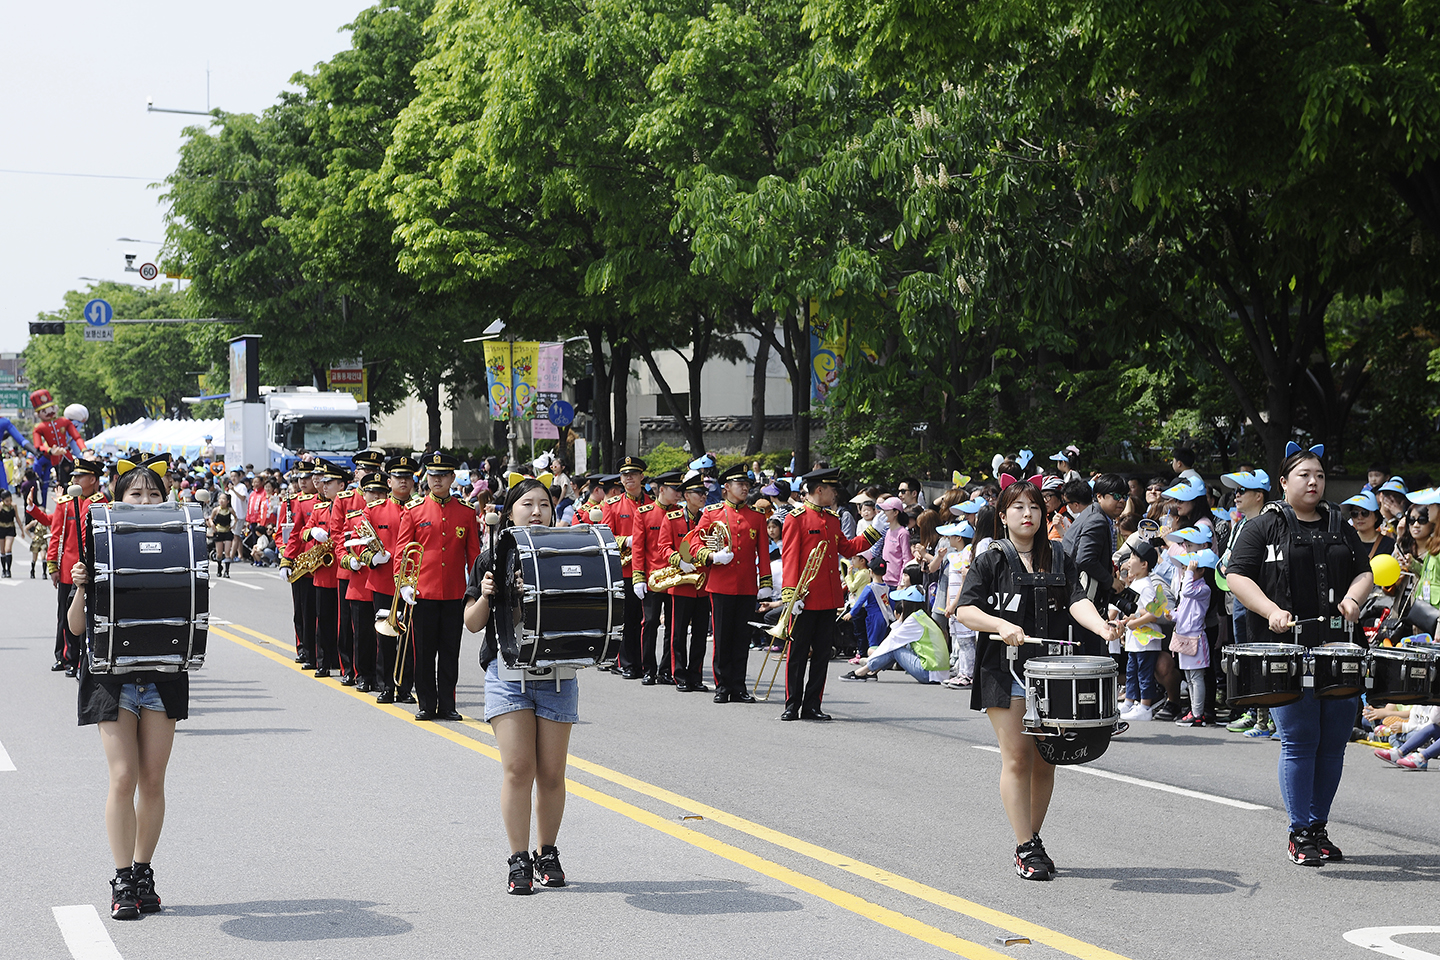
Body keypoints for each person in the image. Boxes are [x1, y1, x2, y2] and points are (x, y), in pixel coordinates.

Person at [955, 477, 1120, 880]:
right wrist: (999, 624)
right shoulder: (990, 558)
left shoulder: (1059, 554)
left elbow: (1077, 600)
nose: (1027, 514)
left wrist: (1101, 628)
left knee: (1048, 761)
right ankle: (1025, 846)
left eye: (1034, 507)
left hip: (1052, 674)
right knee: (1018, 758)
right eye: (1018, 508)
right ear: (1003, 515)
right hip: (1006, 669)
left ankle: (1031, 838)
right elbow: (964, 610)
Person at [1225, 443, 1373, 866]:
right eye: (1305, 474)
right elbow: (1236, 574)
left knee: (1334, 742)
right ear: (1284, 481)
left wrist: (1352, 599)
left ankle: (1319, 827)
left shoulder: (1339, 523)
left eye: (1320, 475)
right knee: (1300, 739)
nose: (1314, 482)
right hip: (1285, 651)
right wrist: (1271, 610)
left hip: (1338, 647)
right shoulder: (1264, 525)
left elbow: (1364, 571)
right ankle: (1300, 832)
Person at [67, 458, 184, 920]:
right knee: (123, 778)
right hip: (111, 678)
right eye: (135, 494)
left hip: (162, 675)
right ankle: (121, 879)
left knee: (153, 780)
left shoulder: (180, 541)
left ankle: (142, 873)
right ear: (118, 499)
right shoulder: (99, 545)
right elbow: (77, 628)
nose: (145, 502)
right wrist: (80, 587)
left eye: (153, 494)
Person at [464, 478, 575, 894]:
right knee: (518, 769)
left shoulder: (566, 550)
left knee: (551, 773)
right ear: (509, 511)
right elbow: (473, 623)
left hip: (556, 675)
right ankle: (518, 860)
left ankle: (548, 852)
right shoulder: (490, 557)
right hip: (507, 674)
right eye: (526, 504)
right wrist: (488, 595)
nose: (536, 511)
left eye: (544, 504)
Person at [774, 468, 883, 720]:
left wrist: (873, 531)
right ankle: (792, 704)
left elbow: (847, 548)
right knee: (798, 653)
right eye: (832, 488)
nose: (836, 493)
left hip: (828, 598)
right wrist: (792, 595)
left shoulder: (832, 520)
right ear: (819, 489)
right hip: (804, 597)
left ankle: (813, 704)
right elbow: (790, 558)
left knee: (822, 654)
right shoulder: (796, 518)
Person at [397, 452, 481, 721]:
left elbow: (474, 557)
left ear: (452, 478)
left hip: (455, 593)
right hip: (422, 593)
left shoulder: (466, 513)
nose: (437, 480)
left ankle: (447, 704)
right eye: (433, 475)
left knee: (449, 652)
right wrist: (404, 586)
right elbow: (402, 552)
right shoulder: (415, 511)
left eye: (443, 475)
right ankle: (426, 704)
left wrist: (474, 591)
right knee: (423, 652)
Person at [686, 462, 771, 703]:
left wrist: (765, 583)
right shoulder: (712, 513)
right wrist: (712, 556)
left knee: (742, 638)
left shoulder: (756, 516)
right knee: (723, 637)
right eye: (739, 484)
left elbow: (763, 552)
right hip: (721, 585)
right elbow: (694, 544)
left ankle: (739, 685)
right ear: (726, 488)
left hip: (746, 585)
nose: (744, 488)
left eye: (747, 484)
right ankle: (723, 686)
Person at [47, 455, 108, 675]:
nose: (75, 480)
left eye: (80, 476)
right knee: (65, 616)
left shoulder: (101, 503)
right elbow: (55, 535)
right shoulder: (66, 503)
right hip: (67, 569)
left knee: (90, 616)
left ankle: (85, 659)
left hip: (92, 570)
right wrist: (52, 564)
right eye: (74, 476)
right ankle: (67, 658)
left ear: (93, 479)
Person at [367, 455, 419, 704]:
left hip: (412, 584)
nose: (403, 482)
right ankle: (386, 685)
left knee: (409, 637)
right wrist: (371, 558)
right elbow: (356, 542)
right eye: (398, 477)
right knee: (385, 637)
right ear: (389, 481)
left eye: (408, 477)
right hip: (384, 582)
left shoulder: (419, 509)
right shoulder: (375, 509)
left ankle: (405, 687)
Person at [656, 472, 712, 692]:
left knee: (700, 633)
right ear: (687, 496)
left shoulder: (708, 519)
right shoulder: (672, 518)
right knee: (678, 633)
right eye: (699, 493)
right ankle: (679, 675)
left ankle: (695, 676)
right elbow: (663, 547)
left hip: (703, 584)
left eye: (704, 492)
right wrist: (679, 560)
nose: (703, 496)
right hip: (681, 583)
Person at [1061, 473, 1128, 651]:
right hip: (1082, 598)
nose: (1121, 501)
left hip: (1073, 596)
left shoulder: (1089, 514)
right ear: (1099, 496)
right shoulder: (1097, 520)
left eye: (1124, 496)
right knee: (1090, 656)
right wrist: (1110, 580)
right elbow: (1085, 559)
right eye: (1116, 496)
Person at [628, 470, 683, 684]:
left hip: (676, 577)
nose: (679, 494)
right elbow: (639, 549)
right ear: (662, 490)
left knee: (673, 625)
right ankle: (648, 668)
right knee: (649, 623)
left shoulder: (680, 513)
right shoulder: (644, 513)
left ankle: (666, 669)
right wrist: (638, 577)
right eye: (674, 489)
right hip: (652, 578)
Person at [600, 456, 651, 678]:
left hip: (650, 569)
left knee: (648, 621)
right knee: (628, 619)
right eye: (624, 475)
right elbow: (605, 536)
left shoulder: (652, 503)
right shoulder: (612, 505)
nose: (628, 478)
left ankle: (648, 663)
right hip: (626, 569)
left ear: (641, 477)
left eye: (633, 474)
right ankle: (629, 663)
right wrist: (628, 540)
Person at [839, 584, 949, 683]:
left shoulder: (914, 620)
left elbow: (891, 641)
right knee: (899, 646)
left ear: (907, 604)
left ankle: (861, 672)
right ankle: (871, 672)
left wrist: (871, 660)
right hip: (939, 673)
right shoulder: (923, 617)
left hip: (929, 673)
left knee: (895, 649)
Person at [1116, 539, 1168, 721]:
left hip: (1145, 640)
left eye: (1133, 557)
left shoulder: (1146, 585)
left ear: (1144, 564)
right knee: (1132, 671)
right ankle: (1130, 701)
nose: (1129, 561)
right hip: (1135, 640)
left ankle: (1145, 705)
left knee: (1143, 672)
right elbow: (1136, 611)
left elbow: (1153, 614)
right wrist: (1128, 620)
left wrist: (1134, 623)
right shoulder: (1136, 583)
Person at [1170, 550, 1217, 726]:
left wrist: (1189, 572)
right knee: (1189, 678)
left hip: (1196, 638)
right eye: (1183, 568)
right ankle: (1194, 710)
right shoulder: (1190, 586)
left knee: (1197, 677)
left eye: (1188, 568)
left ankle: (1198, 714)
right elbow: (1183, 611)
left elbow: (1188, 591)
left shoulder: (1204, 589)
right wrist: (1172, 615)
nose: (1184, 572)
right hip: (1184, 636)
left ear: (1201, 571)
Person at [0, 489, 16, 576]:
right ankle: (3, 569)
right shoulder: (0, 506)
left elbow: (17, 518)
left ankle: (8, 570)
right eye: (6, 501)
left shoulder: (13, 506)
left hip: (10, 527)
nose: (9, 502)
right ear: (2, 500)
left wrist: (22, 530)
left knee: (8, 549)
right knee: (2, 551)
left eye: (10, 500)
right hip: (1, 528)